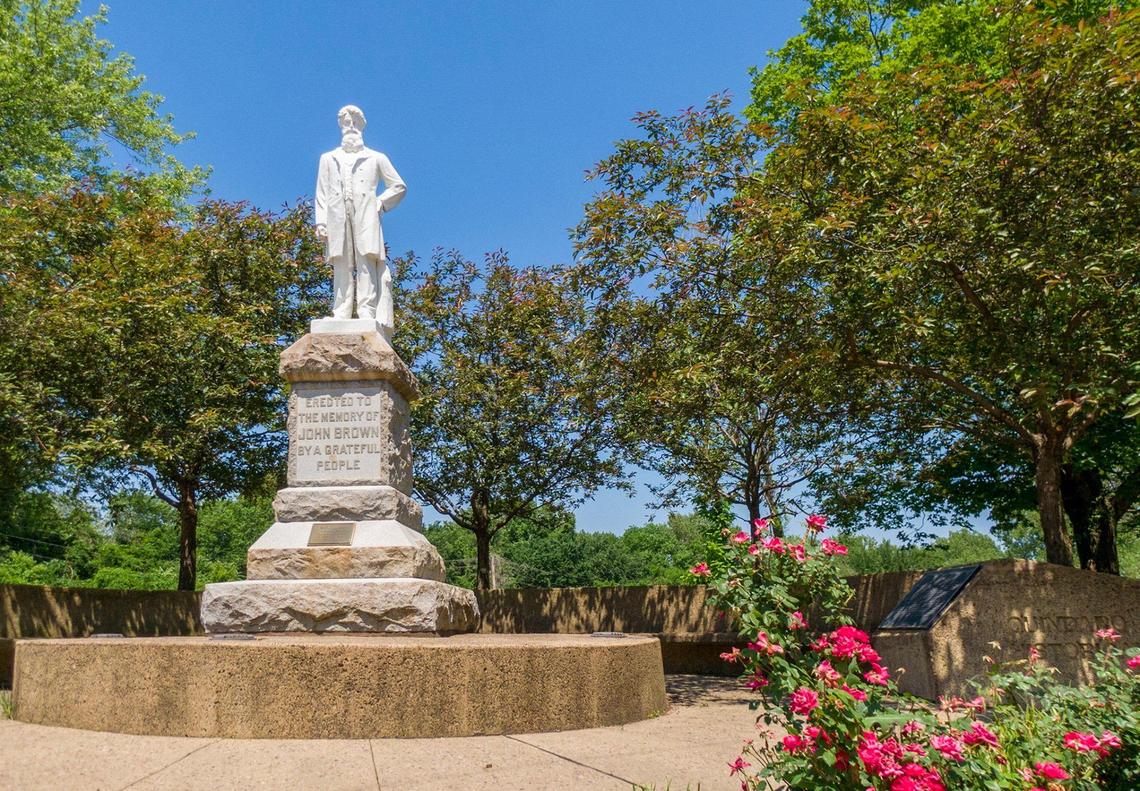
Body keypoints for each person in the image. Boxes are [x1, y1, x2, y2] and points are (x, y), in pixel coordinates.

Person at [314, 105, 406, 331]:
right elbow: (322, 192)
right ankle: (341, 311)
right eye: (346, 122)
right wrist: (321, 221)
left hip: (366, 214)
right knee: (341, 262)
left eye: (355, 121)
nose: (351, 126)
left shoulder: (376, 157)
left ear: (362, 125)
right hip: (337, 215)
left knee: (366, 260)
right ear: (341, 126)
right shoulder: (328, 158)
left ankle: (367, 310)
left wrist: (380, 202)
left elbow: (398, 185)